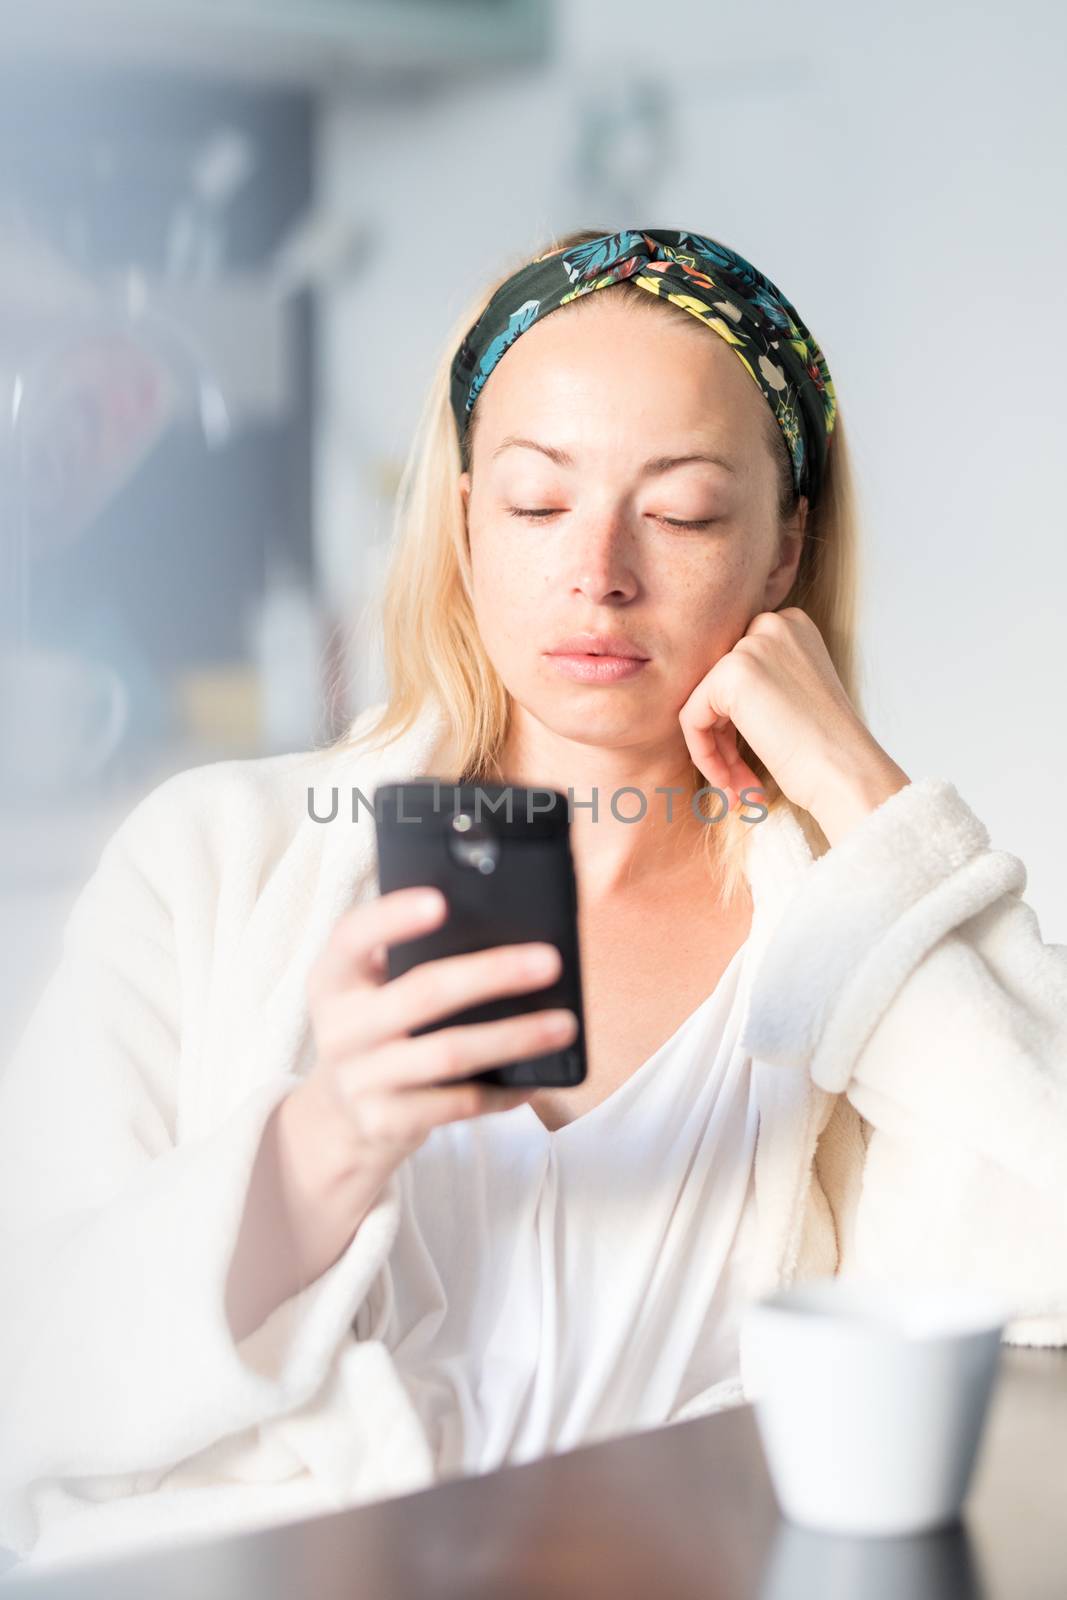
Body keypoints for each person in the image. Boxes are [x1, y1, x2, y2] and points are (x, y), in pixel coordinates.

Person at [2, 226, 1066, 1579]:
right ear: (459, 522)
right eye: (533, 503)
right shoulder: (213, 863)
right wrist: (327, 1142)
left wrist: (867, 797)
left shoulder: (859, 931)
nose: (601, 572)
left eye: (679, 512)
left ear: (785, 549)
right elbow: (25, 1372)